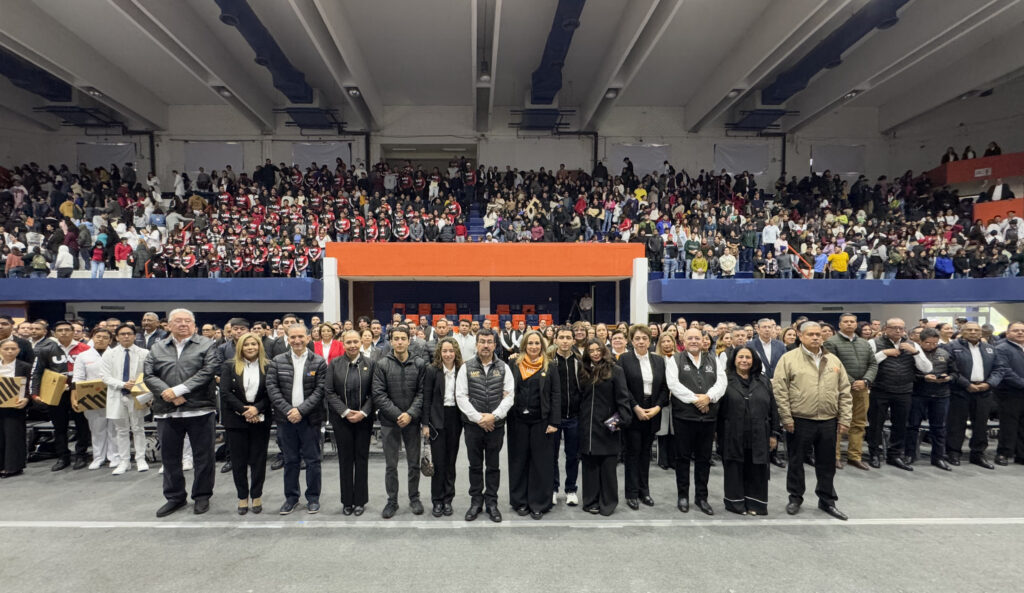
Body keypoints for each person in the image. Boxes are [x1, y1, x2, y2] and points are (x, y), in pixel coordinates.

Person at [143, 309, 222, 517]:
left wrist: (179, 390)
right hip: (167, 410)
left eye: (188, 321)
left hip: (199, 408)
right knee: (169, 458)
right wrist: (167, 393)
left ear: (195, 325)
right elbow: (149, 375)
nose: (184, 324)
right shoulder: (157, 347)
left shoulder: (206, 344)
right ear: (168, 325)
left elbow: (208, 371)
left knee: (203, 457)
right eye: (178, 321)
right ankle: (175, 497)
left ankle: (202, 495)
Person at [772, 321, 852, 521]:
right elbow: (780, 391)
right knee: (796, 461)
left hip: (828, 420)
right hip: (800, 420)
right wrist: (786, 417)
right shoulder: (788, 359)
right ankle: (795, 498)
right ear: (800, 336)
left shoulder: (833, 360)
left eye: (818, 334)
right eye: (811, 334)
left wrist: (844, 418)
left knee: (827, 463)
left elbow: (844, 391)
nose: (816, 337)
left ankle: (827, 500)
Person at [266, 323, 327, 515]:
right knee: (290, 460)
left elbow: (320, 390)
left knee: (312, 461)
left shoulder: (318, 362)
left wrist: (300, 411)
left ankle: (313, 498)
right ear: (288, 339)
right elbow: (272, 388)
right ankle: (291, 498)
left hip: (310, 419)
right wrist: (288, 411)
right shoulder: (277, 361)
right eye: (293, 337)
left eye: (301, 336)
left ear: (308, 338)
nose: (297, 340)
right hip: (286, 420)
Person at [665, 328, 727, 515]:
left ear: (703, 341)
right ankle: (682, 496)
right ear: (683, 340)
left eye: (697, 338)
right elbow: (673, 385)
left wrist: (708, 397)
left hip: (708, 418)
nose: (694, 341)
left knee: (703, 459)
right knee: (682, 458)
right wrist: (697, 400)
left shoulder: (713, 359)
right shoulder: (674, 359)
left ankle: (702, 498)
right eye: (690, 338)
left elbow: (722, 383)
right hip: (684, 417)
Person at [456, 328, 514, 523]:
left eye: (490, 342)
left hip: (495, 427)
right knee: (474, 465)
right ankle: (475, 502)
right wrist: (479, 418)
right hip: (473, 426)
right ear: (477, 344)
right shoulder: (466, 367)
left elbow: (509, 396)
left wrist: (493, 417)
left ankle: (492, 503)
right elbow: (461, 396)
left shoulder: (504, 368)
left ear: (495, 345)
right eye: (483, 341)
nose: (486, 345)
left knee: (493, 465)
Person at [372, 326, 426, 519]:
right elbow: (378, 394)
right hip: (389, 422)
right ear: (391, 341)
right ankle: (392, 501)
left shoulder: (419, 364)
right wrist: (397, 415)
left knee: (413, 463)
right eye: (396, 338)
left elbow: (422, 393)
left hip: (412, 421)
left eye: (403, 338)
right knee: (391, 465)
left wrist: (410, 414)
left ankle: (414, 498)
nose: (400, 342)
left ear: (409, 340)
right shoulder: (382, 364)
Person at [507, 330, 560, 519]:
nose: (534, 347)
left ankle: (538, 503)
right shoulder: (513, 363)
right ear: (524, 345)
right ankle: (520, 501)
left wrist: (554, 421)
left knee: (540, 463)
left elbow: (555, 394)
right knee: (519, 461)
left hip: (542, 421)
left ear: (542, 346)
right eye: (530, 343)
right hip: (517, 420)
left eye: (537, 343)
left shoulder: (550, 366)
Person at [718, 346, 778, 515]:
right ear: (734, 360)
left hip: (760, 432)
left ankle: (755, 504)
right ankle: (735, 504)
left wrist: (774, 433)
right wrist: (716, 433)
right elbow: (718, 408)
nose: (744, 360)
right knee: (734, 468)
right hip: (732, 432)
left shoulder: (763, 380)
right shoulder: (724, 379)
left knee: (757, 469)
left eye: (748, 357)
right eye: (740, 357)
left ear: (754, 361)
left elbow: (773, 408)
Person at [867, 318, 932, 470]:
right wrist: (883, 353)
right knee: (876, 425)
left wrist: (915, 352)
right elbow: (867, 363)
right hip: (880, 390)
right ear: (885, 329)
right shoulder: (873, 343)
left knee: (901, 425)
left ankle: (895, 455)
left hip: (904, 391)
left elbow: (927, 368)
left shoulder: (913, 345)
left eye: (901, 328)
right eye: (894, 327)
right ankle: (874, 454)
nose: (898, 331)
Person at [220, 333, 273, 514]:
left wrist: (256, 409)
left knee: (259, 461)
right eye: (246, 345)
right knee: (239, 462)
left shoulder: (268, 365)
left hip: (260, 419)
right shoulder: (229, 366)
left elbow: (270, 393)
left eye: (254, 344)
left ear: (259, 346)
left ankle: (256, 495)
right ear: (240, 347)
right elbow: (226, 393)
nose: (250, 347)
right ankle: (242, 497)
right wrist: (245, 411)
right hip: (236, 420)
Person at [577, 339, 631, 515]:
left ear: (603, 350)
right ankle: (590, 501)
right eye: (591, 350)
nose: (595, 353)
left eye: (597, 349)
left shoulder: (616, 371)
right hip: (587, 427)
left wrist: (616, 423)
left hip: (608, 427)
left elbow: (623, 400)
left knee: (608, 469)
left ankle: (608, 503)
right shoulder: (583, 371)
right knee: (590, 468)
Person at [30, 320, 93, 471]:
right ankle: (62, 456)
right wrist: (34, 393)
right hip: (56, 392)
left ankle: (81, 454)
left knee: (82, 425)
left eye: (67, 330)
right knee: (59, 426)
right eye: (60, 330)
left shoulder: (84, 348)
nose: (64, 332)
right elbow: (37, 372)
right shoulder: (45, 349)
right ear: (54, 333)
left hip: (78, 391)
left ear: (74, 332)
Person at [618, 325, 669, 510]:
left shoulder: (658, 361)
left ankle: (644, 491)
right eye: (637, 338)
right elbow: (623, 388)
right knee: (632, 453)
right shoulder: (624, 359)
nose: (641, 342)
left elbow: (664, 388)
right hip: (633, 411)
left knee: (645, 453)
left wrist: (657, 407)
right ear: (632, 341)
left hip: (653, 410)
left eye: (644, 338)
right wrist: (635, 407)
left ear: (650, 341)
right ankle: (631, 493)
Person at [325, 330, 375, 516]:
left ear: (361, 342)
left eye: (356, 341)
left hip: (364, 419)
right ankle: (347, 501)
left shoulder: (371, 364)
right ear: (343, 344)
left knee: (361, 459)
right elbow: (329, 392)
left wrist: (363, 412)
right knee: (345, 460)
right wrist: (345, 412)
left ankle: (360, 500)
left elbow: (375, 392)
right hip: (342, 420)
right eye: (349, 342)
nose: (353, 345)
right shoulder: (334, 364)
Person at [944, 322, 1003, 469]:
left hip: (984, 390)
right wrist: (966, 384)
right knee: (956, 424)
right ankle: (953, 452)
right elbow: (951, 369)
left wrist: (989, 383)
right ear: (962, 331)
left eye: (976, 330)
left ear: (981, 332)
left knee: (981, 424)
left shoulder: (990, 349)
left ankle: (977, 454)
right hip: (960, 390)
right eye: (969, 329)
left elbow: (999, 369)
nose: (973, 332)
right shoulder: (951, 347)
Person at [824, 313, 878, 471]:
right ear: (839, 325)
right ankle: (834, 456)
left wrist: (866, 381)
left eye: (852, 322)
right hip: (839, 389)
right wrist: (852, 381)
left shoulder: (864, 343)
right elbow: (832, 365)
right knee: (838, 423)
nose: (849, 324)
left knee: (859, 423)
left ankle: (855, 456)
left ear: (856, 325)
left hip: (862, 388)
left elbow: (873, 364)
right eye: (846, 322)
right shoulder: (831, 342)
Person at [421, 337, 463, 517]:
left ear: (456, 353)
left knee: (451, 461)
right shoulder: (432, 370)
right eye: (444, 351)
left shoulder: (462, 369)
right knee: (438, 462)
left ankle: (448, 500)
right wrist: (425, 424)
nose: (448, 354)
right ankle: (437, 500)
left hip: (456, 418)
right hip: (437, 419)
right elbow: (426, 398)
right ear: (439, 352)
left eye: (451, 351)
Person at [102, 324, 150, 475]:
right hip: (117, 393)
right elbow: (104, 376)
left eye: (129, 334)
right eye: (122, 334)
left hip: (137, 395)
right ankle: (124, 461)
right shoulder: (109, 354)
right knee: (121, 430)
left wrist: (139, 387)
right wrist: (123, 384)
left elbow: (149, 374)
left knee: (138, 428)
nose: (126, 336)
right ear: (116, 337)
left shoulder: (144, 353)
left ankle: (141, 458)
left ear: (135, 336)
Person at [71, 329, 120, 470]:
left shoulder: (117, 354)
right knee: (96, 428)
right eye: (98, 337)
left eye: (105, 337)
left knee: (114, 428)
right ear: (92, 338)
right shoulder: (83, 356)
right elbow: (78, 378)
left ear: (110, 340)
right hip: (91, 396)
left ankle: (114, 456)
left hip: (113, 394)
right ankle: (98, 457)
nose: (101, 340)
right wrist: (75, 397)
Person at [907, 328, 954, 470]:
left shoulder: (945, 353)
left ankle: (938, 457)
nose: (932, 346)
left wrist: (949, 377)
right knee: (912, 426)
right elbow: (908, 374)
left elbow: (955, 372)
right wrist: (923, 377)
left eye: (935, 343)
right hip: (918, 394)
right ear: (920, 341)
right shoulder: (912, 354)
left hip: (941, 395)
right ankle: (909, 454)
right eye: (928, 343)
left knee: (939, 428)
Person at [551, 326, 583, 507]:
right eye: (561, 337)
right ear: (555, 340)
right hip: (554, 418)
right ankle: (553, 489)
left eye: (568, 337)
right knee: (552, 456)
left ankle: (571, 489)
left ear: (573, 340)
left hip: (574, 417)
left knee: (572, 456)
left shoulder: (579, 361)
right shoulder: (549, 361)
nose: (564, 340)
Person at [0, 338, 31, 478]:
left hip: (16, 406)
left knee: (14, 436)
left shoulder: (24, 366)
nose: (10, 351)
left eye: (13, 349)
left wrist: (27, 399)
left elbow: (31, 386)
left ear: (18, 351)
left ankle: (13, 467)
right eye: (6, 349)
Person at [994, 322, 1024, 465]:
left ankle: (1021, 454)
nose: (1020, 333)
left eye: (1022, 330)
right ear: (1008, 333)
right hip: (1009, 392)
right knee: (1009, 425)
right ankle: (1004, 453)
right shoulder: (1001, 348)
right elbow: (1005, 370)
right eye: (1016, 330)